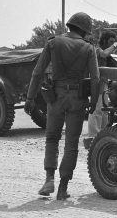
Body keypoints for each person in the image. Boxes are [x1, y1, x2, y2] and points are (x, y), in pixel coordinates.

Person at [24, 12, 100, 200]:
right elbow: (95, 78)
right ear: (84, 30)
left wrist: (30, 98)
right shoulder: (88, 48)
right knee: (71, 143)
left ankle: (49, 179)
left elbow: (38, 72)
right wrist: (93, 101)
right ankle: (63, 188)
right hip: (77, 98)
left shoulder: (53, 43)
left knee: (52, 138)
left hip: (56, 96)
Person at [84, 31, 117, 148]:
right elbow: (104, 54)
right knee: (96, 110)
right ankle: (93, 135)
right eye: (110, 42)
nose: (112, 44)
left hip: (104, 83)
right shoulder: (97, 50)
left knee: (104, 111)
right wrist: (114, 46)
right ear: (104, 41)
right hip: (95, 84)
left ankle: (103, 134)